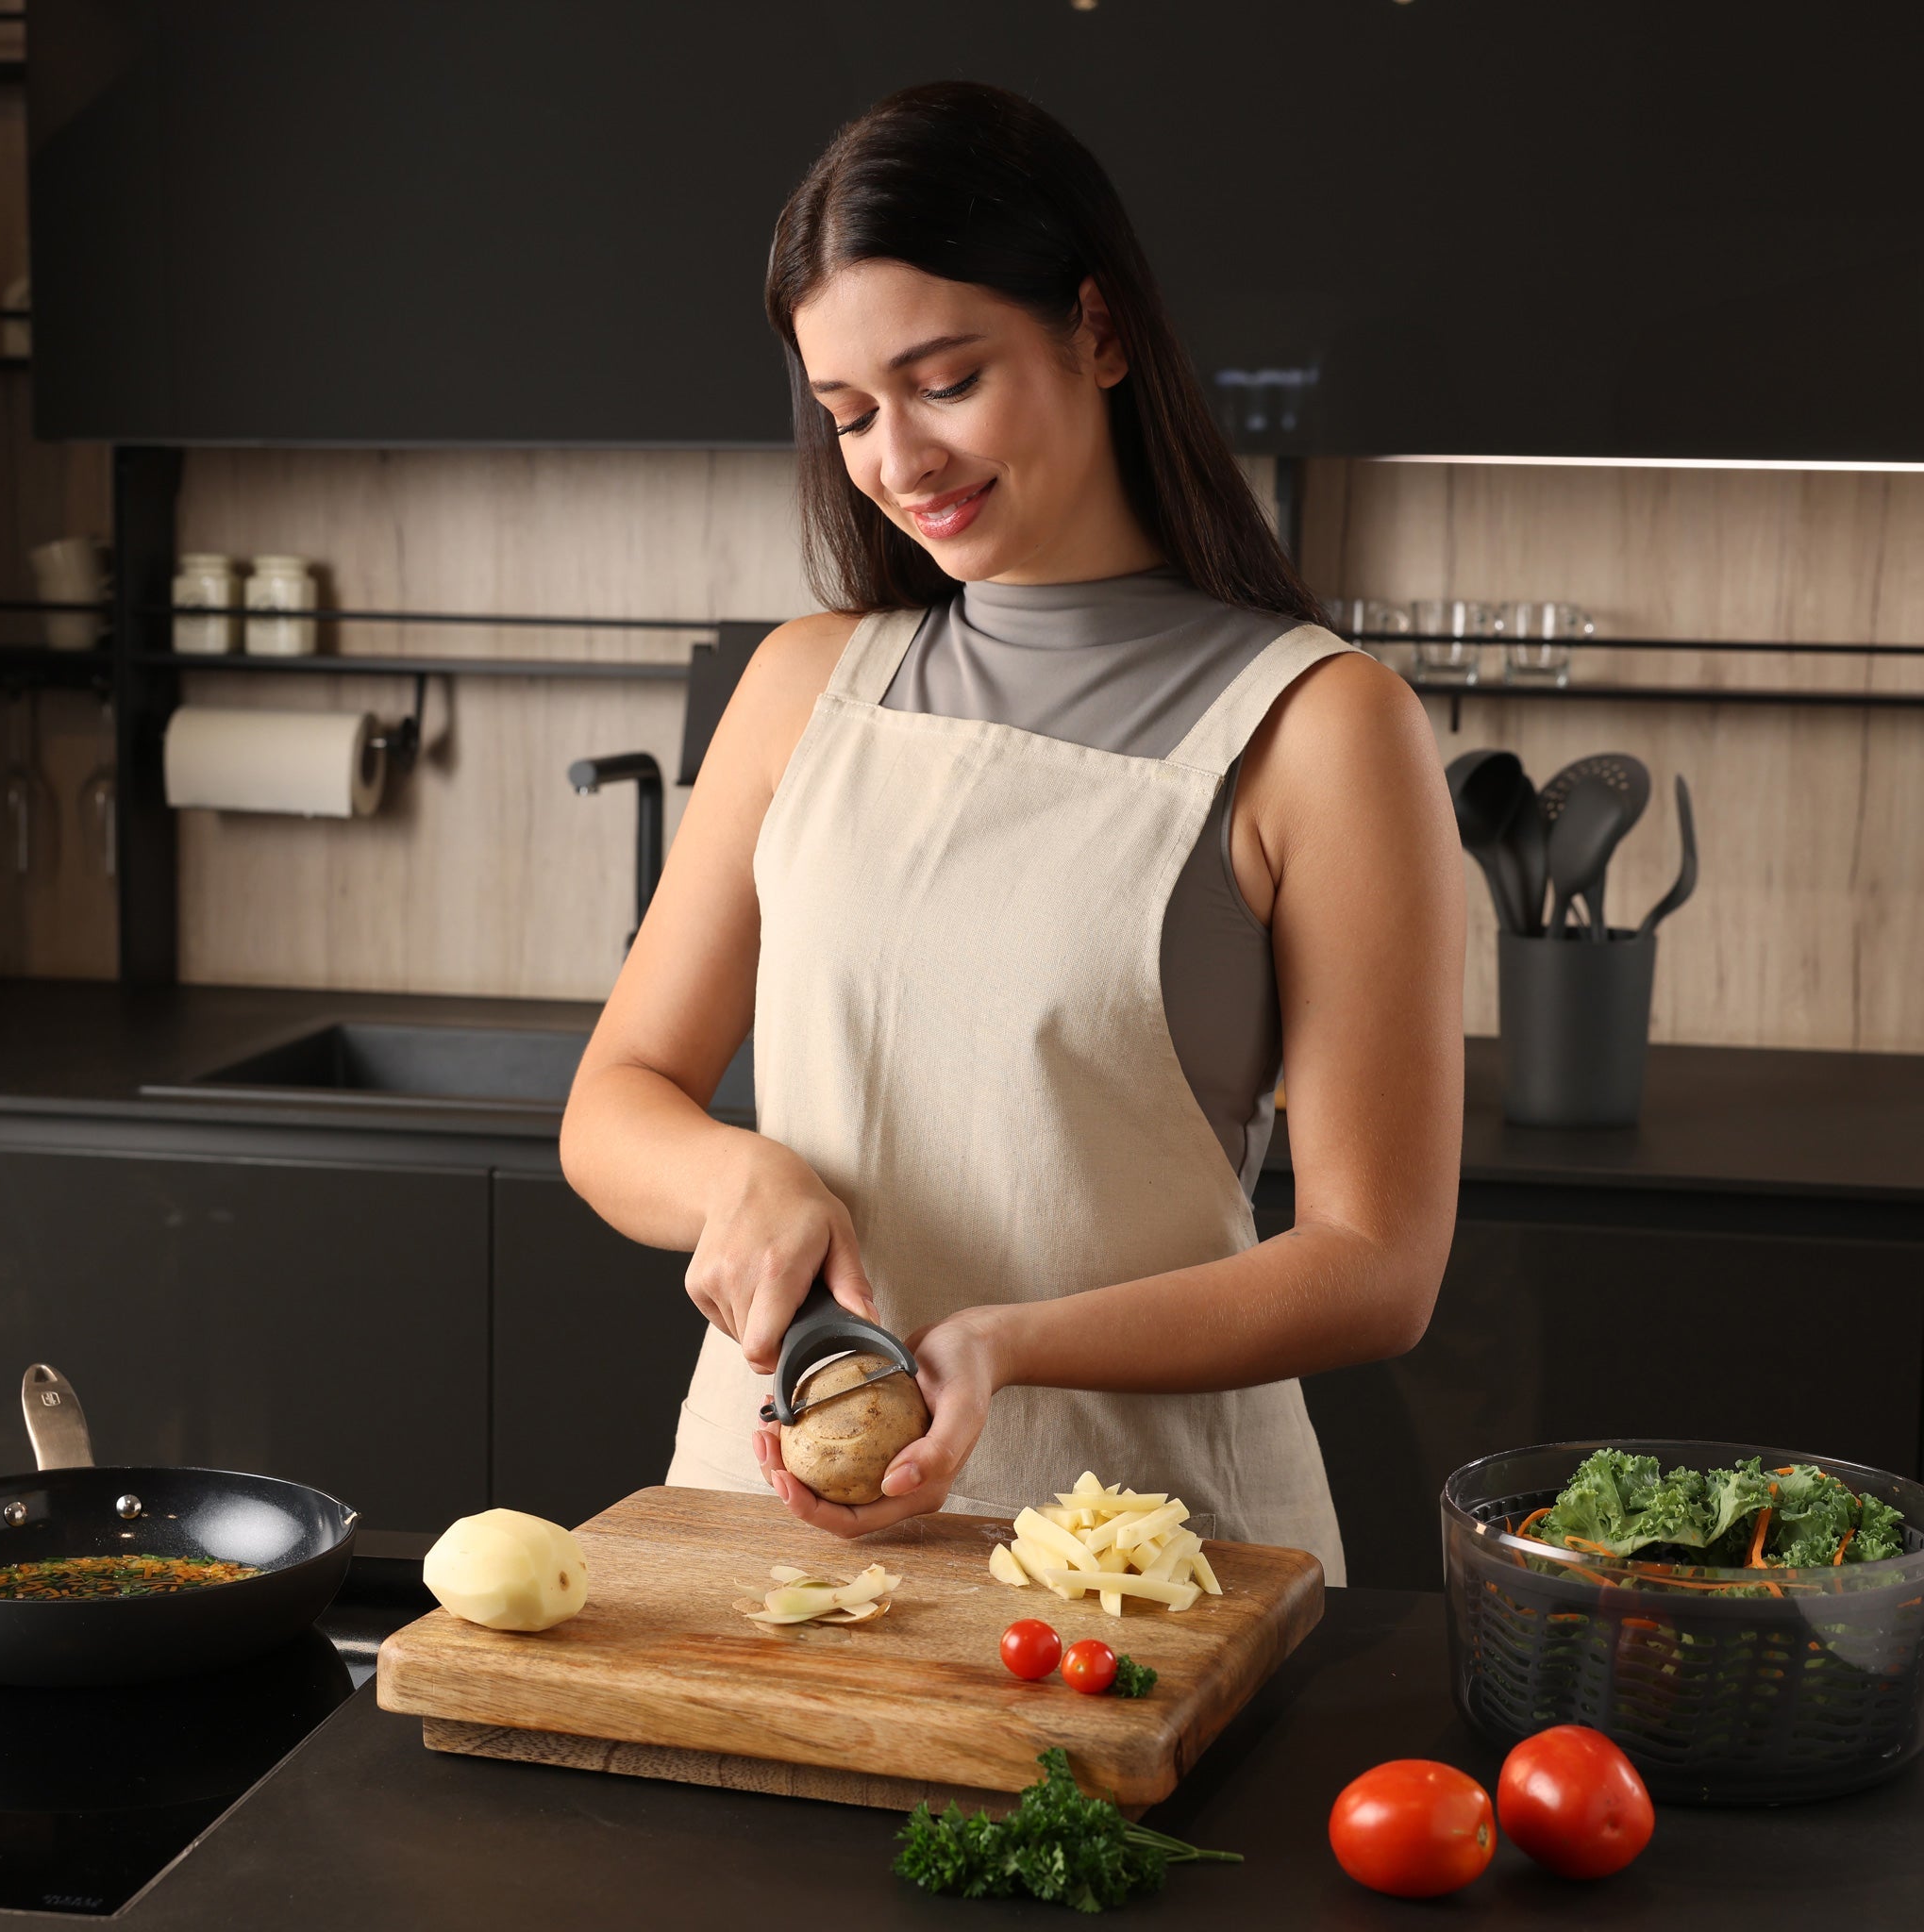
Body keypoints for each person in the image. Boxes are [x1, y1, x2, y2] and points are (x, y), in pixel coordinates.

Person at [560, 81, 1463, 1582]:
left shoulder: (1320, 727)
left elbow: (1379, 1266)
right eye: (849, 414)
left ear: (1098, 332)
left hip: (1141, 1560)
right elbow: (615, 1102)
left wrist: (1004, 1351)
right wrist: (737, 1180)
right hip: (766, 1515)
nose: (899, 459)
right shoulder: (804, 687)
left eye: (945, 381)